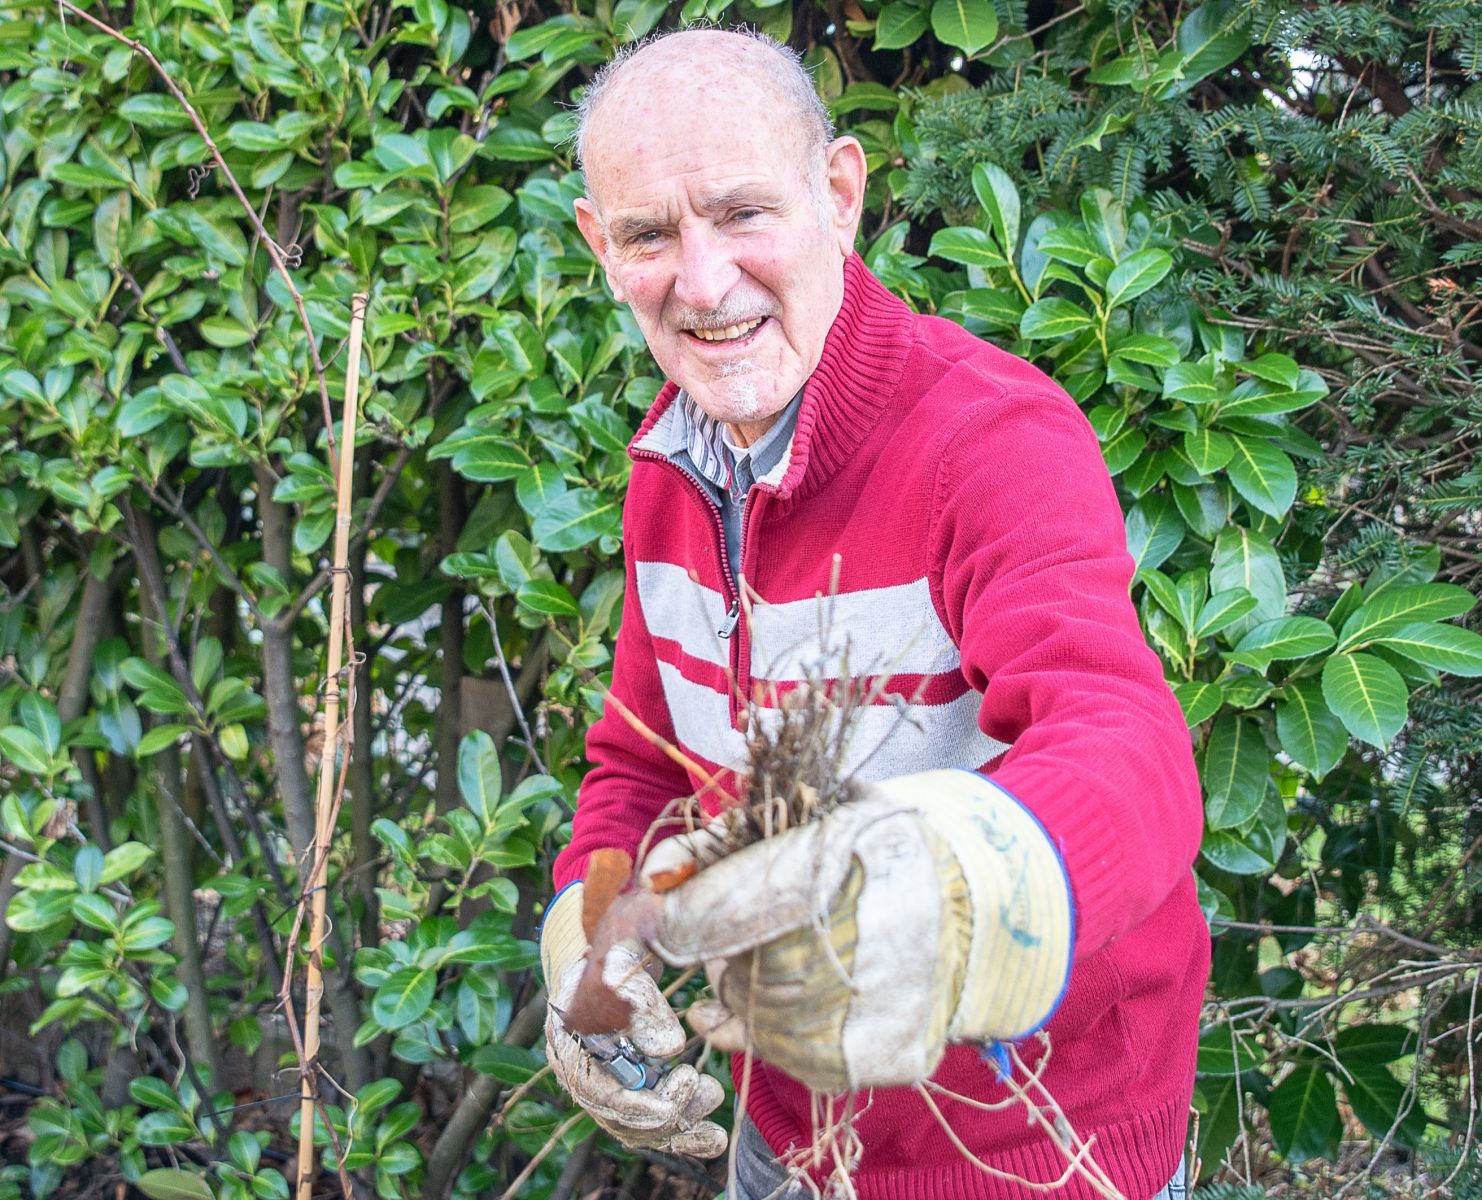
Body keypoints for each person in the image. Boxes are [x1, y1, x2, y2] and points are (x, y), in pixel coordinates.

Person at [537, 27, 1207, 1200]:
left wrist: (956, 902)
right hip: (782, 1140)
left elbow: (1127, 743)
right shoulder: (673, 465)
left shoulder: (990, 440)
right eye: (649, 234)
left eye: (743, 213)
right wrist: (588, 945)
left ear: (840, 194)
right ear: (601, 248)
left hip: (1032, 1159)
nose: (701, 282)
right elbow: (636, 771)